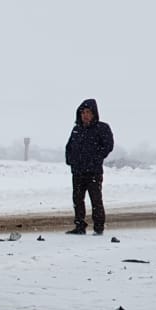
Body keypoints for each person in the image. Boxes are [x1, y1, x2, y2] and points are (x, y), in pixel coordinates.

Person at [64, 98, 114, 234]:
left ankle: (98, 227)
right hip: (78, 171)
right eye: (82, 112)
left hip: (93, 171)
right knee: (77, 200)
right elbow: (69, 147)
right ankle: (80, 226)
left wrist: (96, 158)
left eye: (88, 112)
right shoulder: (76, 130)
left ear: (94, 114)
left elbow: (108, 145)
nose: (85, 115)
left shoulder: (102, 128)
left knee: (96, 200)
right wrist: (71, 161)